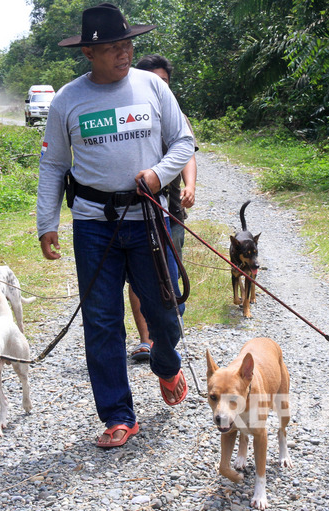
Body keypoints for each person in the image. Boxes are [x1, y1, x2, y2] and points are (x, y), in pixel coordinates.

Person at [36, 3, 195, 449]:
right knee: (102, 322)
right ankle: (118, 415)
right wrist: (46, 222)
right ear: (89, 53)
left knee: (165, 312)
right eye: (111, 48)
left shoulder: (152, 87)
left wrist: (159, 175)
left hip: (146, 218)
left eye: (126, 44)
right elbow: (52, 165)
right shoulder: (68, 100)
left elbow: (183, 142)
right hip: (93, 225)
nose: (123, 54)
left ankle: (166, 364)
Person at [128, 54, 198, 363]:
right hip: (134, 214)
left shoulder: (176, 114)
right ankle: (147, 341)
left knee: (171, 278)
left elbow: (188, 153)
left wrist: (190, 186)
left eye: (164, 82)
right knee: (138, 279)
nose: (159, 87)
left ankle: (167, 334)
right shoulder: (127, 113)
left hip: (169, 212)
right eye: (153, 81)